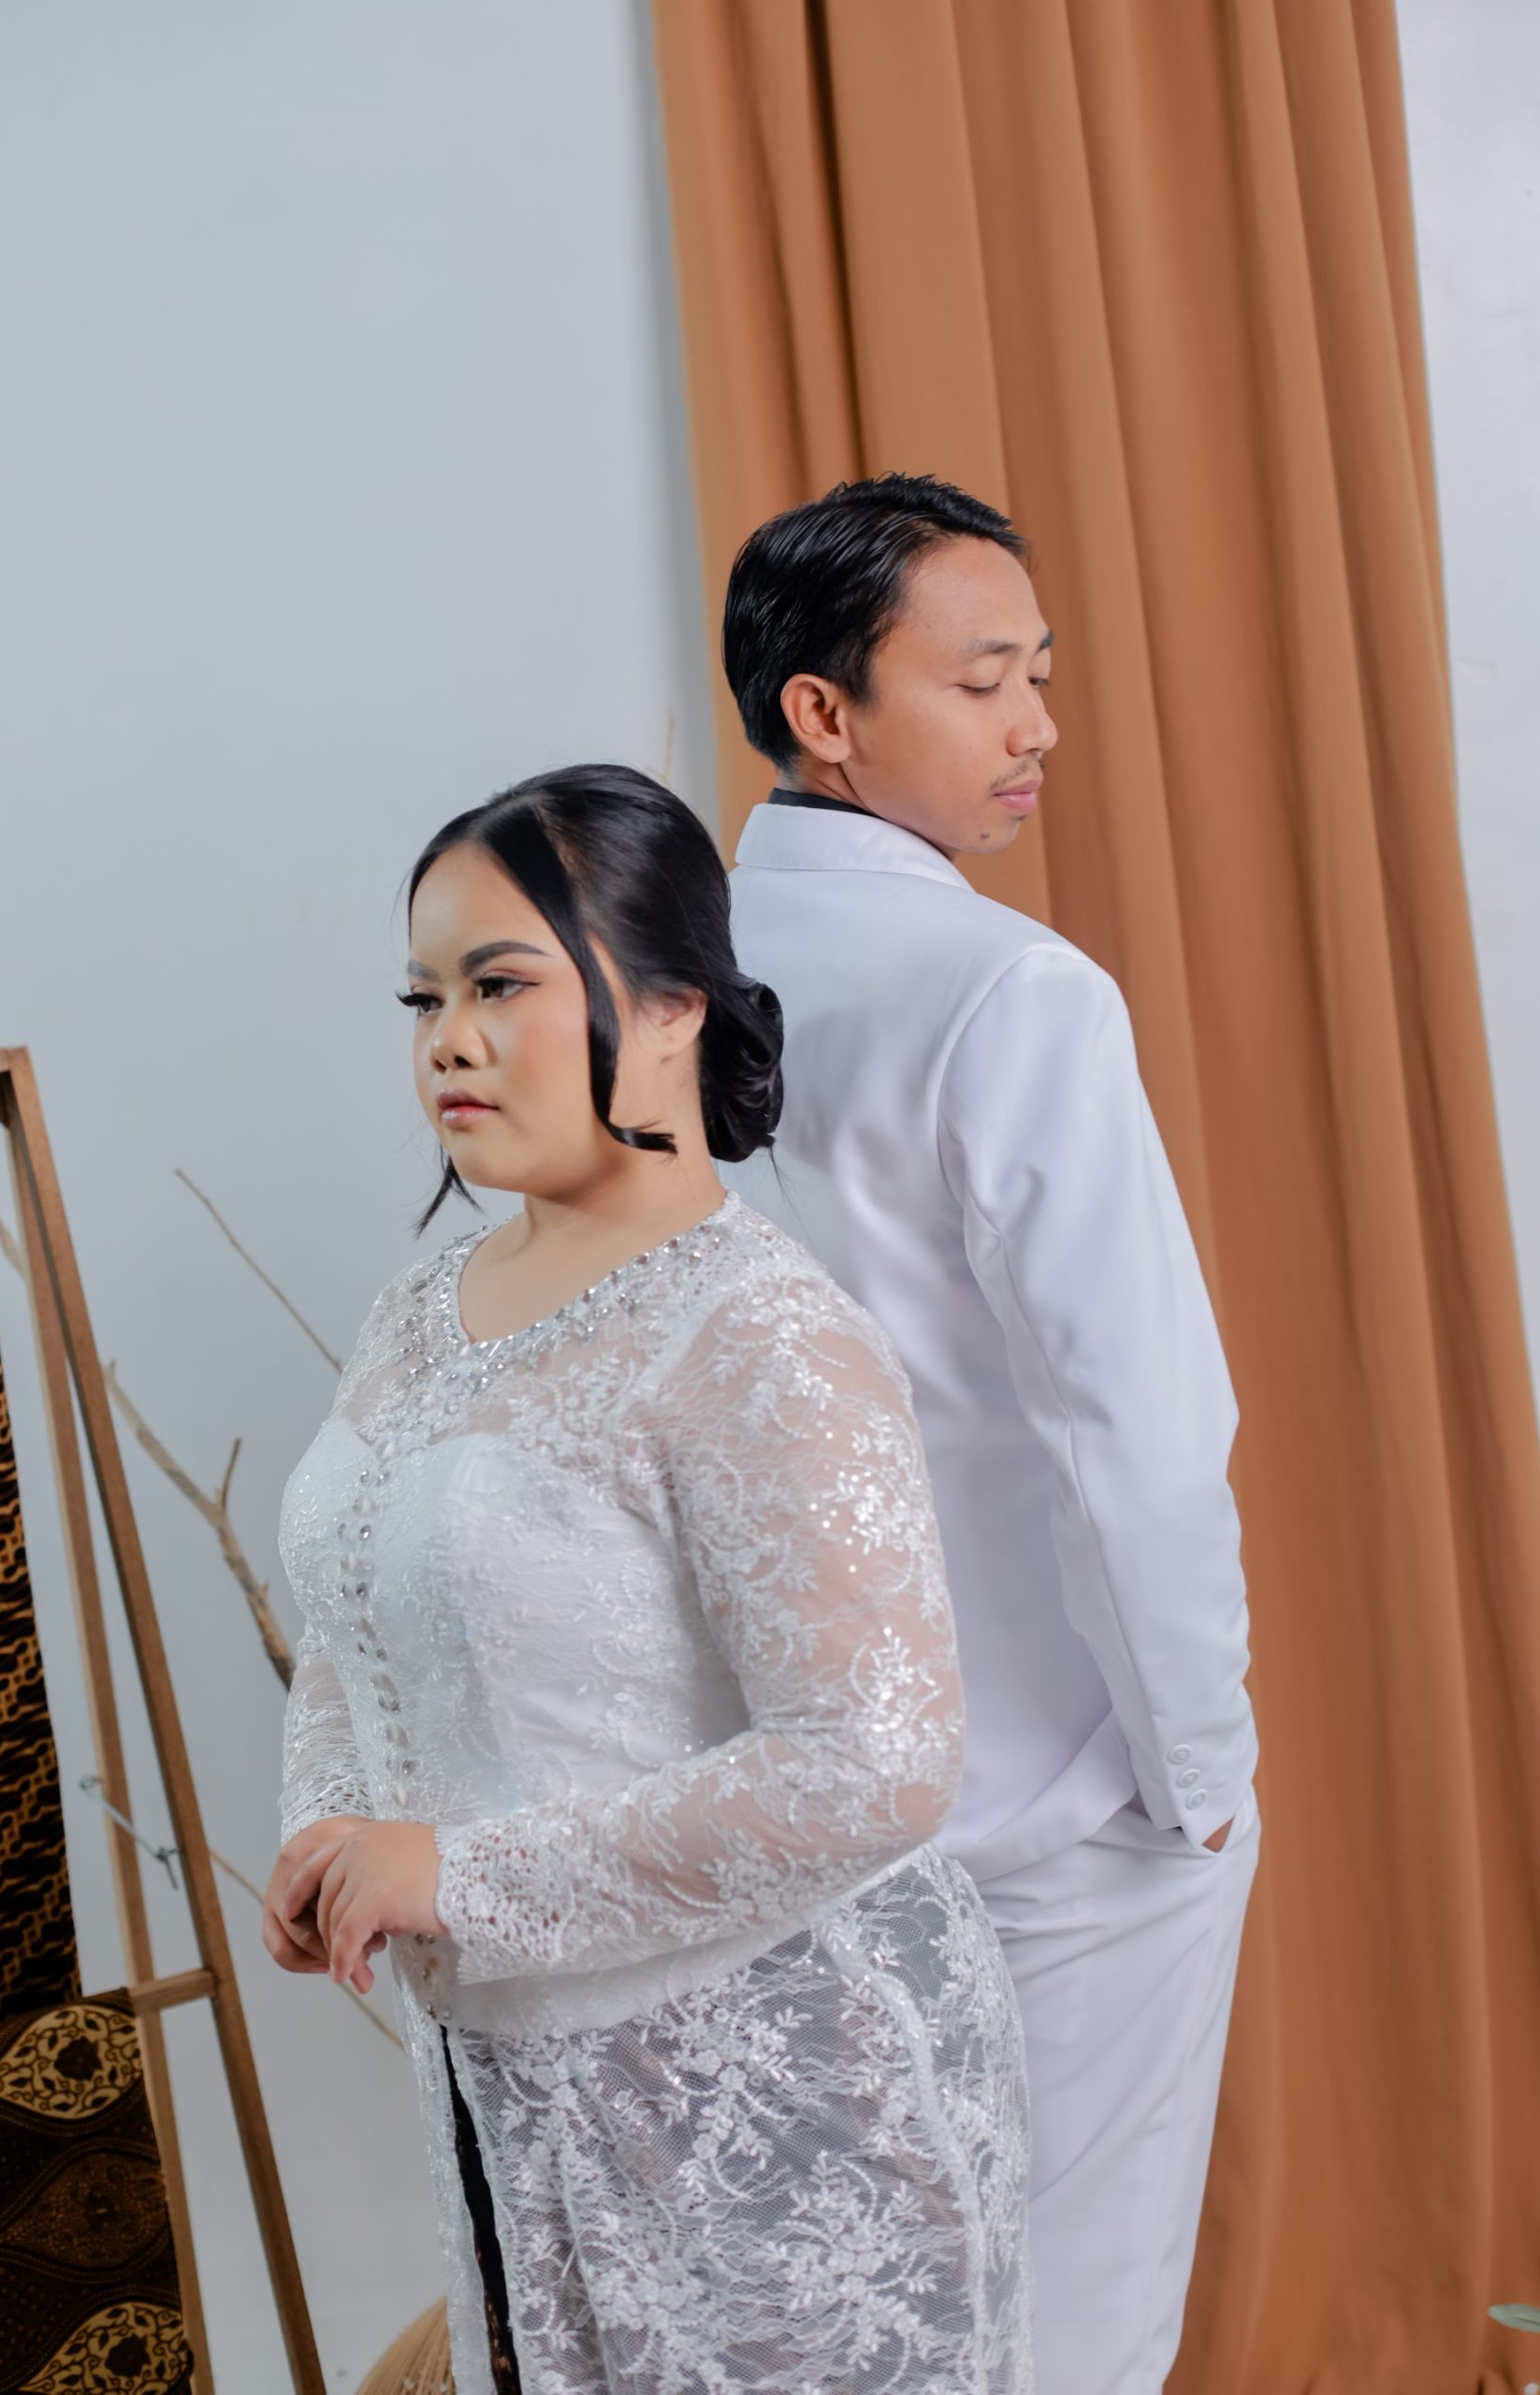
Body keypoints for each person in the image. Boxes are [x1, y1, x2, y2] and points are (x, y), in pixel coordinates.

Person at [261, 763, 1032, 2395]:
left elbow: (877, 1761)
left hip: (771, 2107)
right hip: (507, 2100)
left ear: (675, 1002)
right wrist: (332, 1829)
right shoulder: (423, 1307)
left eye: (500, 985)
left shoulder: (763, 1335)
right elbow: (349, 1606)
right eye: (425, 998)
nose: (448, 1041)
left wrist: (452, 1875)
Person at [720, 473, 1260, 2395]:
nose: (1036, 725)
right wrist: (1199, 1766)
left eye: (1040, 675)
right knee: (1072, 2330)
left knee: (856, 2325)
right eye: (983, 682)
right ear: (824, 711)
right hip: (1060, 1795)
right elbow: (1132, 1426)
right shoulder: (1011, 988)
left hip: (792, 1799)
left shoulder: (661, 983)